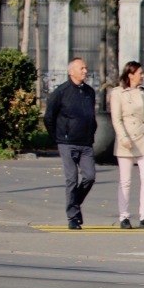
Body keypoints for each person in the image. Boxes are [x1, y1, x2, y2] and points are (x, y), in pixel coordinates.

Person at [109, 61, 144, 229]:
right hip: (126, 142)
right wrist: (124, 138)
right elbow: (116, 119)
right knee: (125, 181)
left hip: (143, 139)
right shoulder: (118, 93)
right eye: (140, 73)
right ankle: (124, 216)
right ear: (130, 75)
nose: (143, 76)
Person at [44, 57, 97, 229]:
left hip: (86, 142)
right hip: (67, 142)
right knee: (72, 178)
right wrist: (58, 137)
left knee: (89, 176)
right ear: (71, 71)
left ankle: (75, 204)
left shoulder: (90, 92)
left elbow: (91, 116)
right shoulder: (61, 92)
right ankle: (72, 217)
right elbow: (49, 117)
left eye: (86, 68)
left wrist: (91, 134)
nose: (85, 71)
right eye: (81, 68)